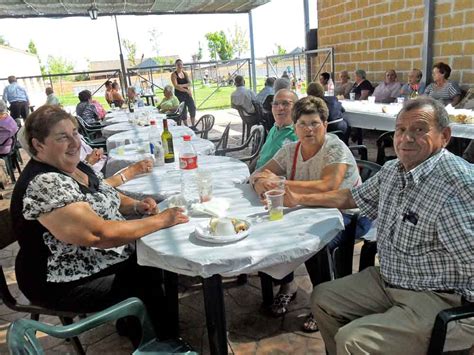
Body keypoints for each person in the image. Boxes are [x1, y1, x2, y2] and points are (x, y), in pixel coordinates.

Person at [282, 97, 474, 354]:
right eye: (401, 130)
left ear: (445, 136)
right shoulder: (395, 170)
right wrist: (298, 198)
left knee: (353, 339)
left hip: (438, 296)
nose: (406, 138)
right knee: (323, 298)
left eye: (419, 129)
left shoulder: (456, 186)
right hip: (391, 279)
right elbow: (352, 196)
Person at [10, 105, 189, 342]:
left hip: (87, 261)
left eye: (74, 133)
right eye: (62, 137)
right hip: (60, 280)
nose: (75, 142)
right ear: (38, 145)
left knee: (150, 259)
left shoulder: (74, 167)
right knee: (144, 274)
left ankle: (140, 325)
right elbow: (98, 234)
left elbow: (106, 195)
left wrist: (136, 206)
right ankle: (159, 342)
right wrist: (162, 220)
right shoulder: (44, 183)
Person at [251, 96, 363, 331]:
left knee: (313, 243)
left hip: (345, 214)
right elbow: (259, 173)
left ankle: (323, 304)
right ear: (295, 127)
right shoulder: (291, 149)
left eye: (314, 123)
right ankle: (287, 284)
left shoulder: (334, 147)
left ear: (325, 124)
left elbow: (328, 185)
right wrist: (261, 183)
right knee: (269, 227)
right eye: (302, 124)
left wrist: (280, 183)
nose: (308, 129)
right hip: (308, 209)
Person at [255, 89, 298, 169]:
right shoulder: (274, 127)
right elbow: (261, 156)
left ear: (296, 108)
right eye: (275, 104)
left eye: (285, 103)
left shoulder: (298, 135)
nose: (279, 108)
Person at [171, 59, 196, 126]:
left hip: (187, 94)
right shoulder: (174, 74)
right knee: (183, 110)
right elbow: (176, 87)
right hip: (179, 95)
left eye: (181, 64)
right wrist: (186, 90)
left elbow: (189, 83)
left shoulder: (185, 73)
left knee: (192, 107)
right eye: (178, 64)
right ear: (175, 65)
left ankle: (193, 125)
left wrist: (181, 85)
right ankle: (186, 126)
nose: (180, 66)